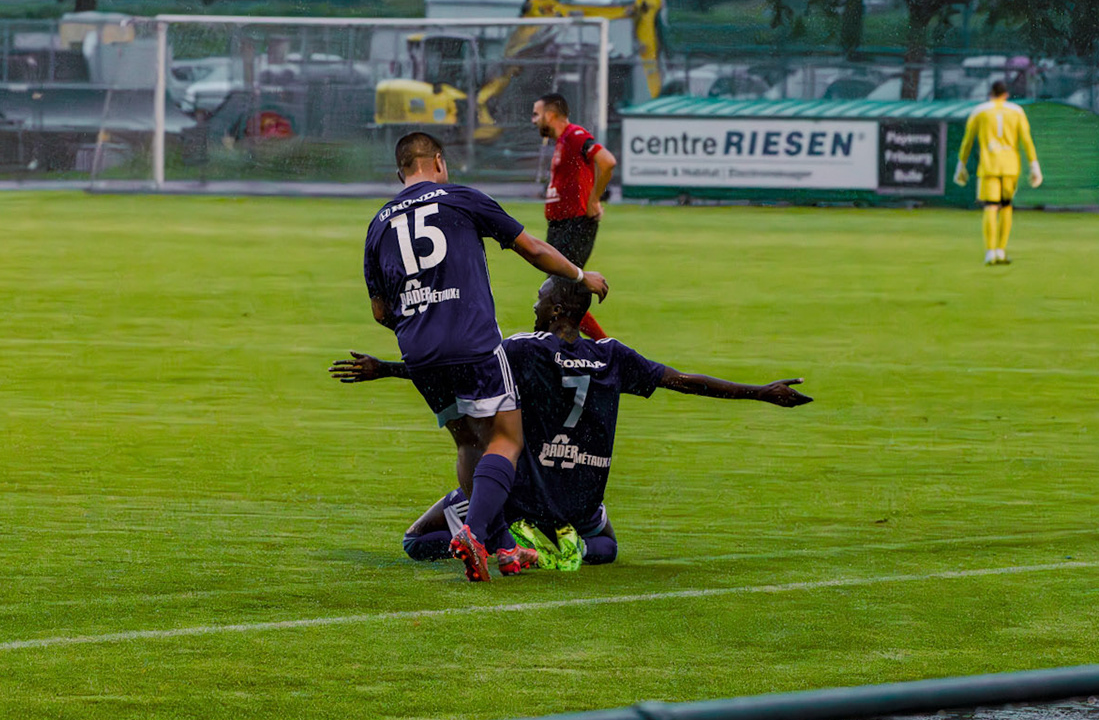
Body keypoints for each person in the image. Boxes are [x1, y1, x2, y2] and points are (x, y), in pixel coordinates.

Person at [332, 276, 811, 569]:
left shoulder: (524, 349)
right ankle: (560, 549)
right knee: (605, 545)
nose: (534, 306)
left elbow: (456, 368)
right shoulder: (613, 356)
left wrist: (386, 369)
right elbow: (684, 381)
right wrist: (761, 392)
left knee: (417, 541)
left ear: (557, 310)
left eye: (540, 299)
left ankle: (508, 543)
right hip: (578, 503)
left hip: (522, 496)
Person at [363, 131, 610, 582]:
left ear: (401, 173)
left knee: (467, 442)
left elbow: (381, 311)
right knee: (506, 438)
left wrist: (421, 324)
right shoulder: (461, 198)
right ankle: (474, 535)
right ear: (438, 161)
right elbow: (532, 248)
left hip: (419, 350)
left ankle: (505, 549)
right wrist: (581, 275)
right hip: (471, 341)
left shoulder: (378, 224)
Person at [532, 93, 615, 338]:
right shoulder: (562, 141)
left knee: (560, 293)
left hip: (575, 225)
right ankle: (585, 346)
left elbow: (607, 161)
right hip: (562, 226)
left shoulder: (575, 135)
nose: (533, 120)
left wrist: (594, 200)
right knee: (561, 294)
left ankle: (606, 347)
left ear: (550, 115)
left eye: (536, 114)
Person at [955, 80, 1043, 265]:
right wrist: (1034, 165)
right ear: (1006, 94)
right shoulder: (1016, 111)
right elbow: (1026, 140)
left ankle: (990, 252)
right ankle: (1001, 251)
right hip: (1010, 166)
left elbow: (967, 140)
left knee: (990, 206)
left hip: (989, 165)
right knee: (1006, 206)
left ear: (990, 94)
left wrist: (961, 165)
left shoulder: (980, 111)